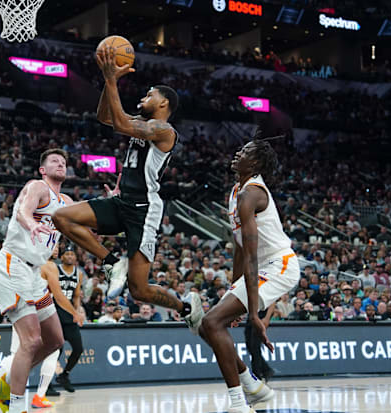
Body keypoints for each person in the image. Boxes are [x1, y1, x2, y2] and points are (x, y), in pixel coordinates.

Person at [52, 46, 199, 324]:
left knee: (139, 289)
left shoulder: (164, 131)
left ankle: (184, 308)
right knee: (62, 217)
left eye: (149, 95)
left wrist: (111, 79)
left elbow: (118, 123)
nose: (143, 98)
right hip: (123, 200)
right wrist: (109, 81)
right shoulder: (141, 122)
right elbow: (106, 118)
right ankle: (111, 263)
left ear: (164, 103)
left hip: (144, 209)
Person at [194, 139, 300, 413]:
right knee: (208, 326)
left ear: (253, 163)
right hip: (261, 267)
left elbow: (252, 258)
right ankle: (253, 387)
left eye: (244, 152)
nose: (237, 152)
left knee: (212, 321)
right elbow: (240, 247)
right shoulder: (235, 191)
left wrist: (253, 313)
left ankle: (240, 403)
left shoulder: (251, 194)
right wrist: (234, 287)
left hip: (279, 265)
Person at [0, 149, 72, 413]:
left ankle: (5, 382)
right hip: (13, 264)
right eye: (54, 161)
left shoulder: (66, 201)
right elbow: (23, 210)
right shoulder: (37, 186)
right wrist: (31, 224)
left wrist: (110, 202)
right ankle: (16, 406)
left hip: (35, 273)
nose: (61, 164)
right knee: (31, 341)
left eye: (64, 162)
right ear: (43, 170)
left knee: (55, 340)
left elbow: (89, 219)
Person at [54, 245, 84, 393]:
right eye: (67, 254)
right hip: (55, 312)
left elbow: (77, 296)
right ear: (62, 257)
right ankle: (46, 386)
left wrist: (77, 311)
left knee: (78, 348)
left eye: (73, 254)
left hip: (69, 314)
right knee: (55, 351)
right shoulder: (54, 270)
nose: (70, 256)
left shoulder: (78, 274)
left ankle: (64, 375)